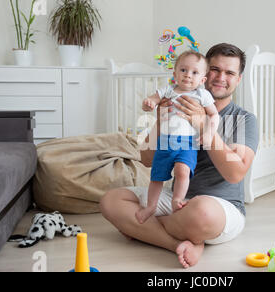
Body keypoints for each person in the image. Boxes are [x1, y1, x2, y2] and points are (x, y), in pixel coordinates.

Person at [100, 43, 259, 269]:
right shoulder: (177, 103)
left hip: (219, 207)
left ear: (238, 79)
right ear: (204, 73)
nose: (221, 77)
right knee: (111, 201)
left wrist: (204, 125)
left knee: (201, 212)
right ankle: (183, 243)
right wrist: (160, 119)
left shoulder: (243, 119)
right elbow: (146, 160)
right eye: (215, 69)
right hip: (178, 200)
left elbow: (235, 173)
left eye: (230, 73)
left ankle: (144, 228)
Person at [136, 50, 219, 224]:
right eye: (183, 70)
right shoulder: (168, 91)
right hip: (165, 142)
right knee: (157, 177)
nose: (188, 75)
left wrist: (209, 132)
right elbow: (150, 102)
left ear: (202, 80)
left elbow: (214, 115)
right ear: (174, 74)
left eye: (194, 72)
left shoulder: (202, 95)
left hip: (188, 144)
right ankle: (151, 206)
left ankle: (177, 200)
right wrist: (149, 104)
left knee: (183, 171)